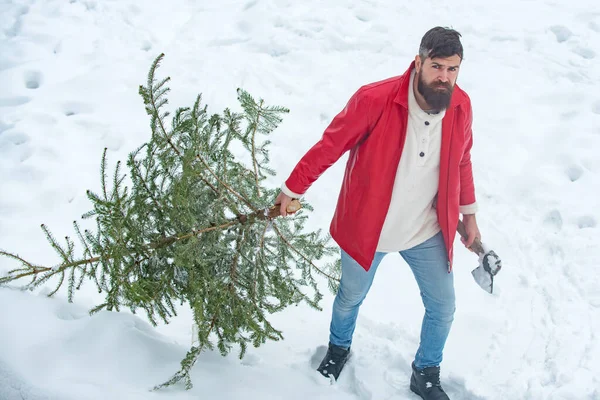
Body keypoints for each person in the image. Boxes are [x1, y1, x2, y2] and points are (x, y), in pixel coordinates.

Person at [275, 26, 481, 400]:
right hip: (369, 229)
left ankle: (426, 371)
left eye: (452, 69)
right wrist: (293, 189)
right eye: (436, 67)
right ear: (418, 62)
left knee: (444, 306)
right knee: (350, 298)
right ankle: (339, 348)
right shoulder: (376, 99)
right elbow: (330, 145)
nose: (444, 77)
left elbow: (462, 160)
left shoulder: (460, 105)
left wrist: (469, 216)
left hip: (426, 230)